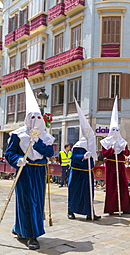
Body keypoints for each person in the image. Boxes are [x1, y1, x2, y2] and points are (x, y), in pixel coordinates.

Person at [5, 79, 55, 250]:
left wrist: (37, 143)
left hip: (39, 172)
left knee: (36, 202)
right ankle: (30, 234)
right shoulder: (18, 135)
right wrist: (17, 160)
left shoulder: (45, 136)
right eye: (31, 117)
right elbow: (9, 153)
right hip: (24, 172)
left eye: (37, 117)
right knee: (26, 202)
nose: (34, 120)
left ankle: (24, 229)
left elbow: (50, 153)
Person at [68, 100, 101, 221]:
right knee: (75, 192)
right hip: (77, 173)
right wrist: (82, 156)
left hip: (88, 173)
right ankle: (71, 210)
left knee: (88, 194)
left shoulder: (91, 145)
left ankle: (89, 212)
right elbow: (73, 158)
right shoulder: (78, 145)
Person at [101, 98, 130, 215]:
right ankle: (111, 208)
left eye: (117, 130)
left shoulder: (122, 141)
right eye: (113, 129)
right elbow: (104, 154)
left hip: (120, 165)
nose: (115, 131)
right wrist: (112, 149)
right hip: (110, 165)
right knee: (111, 186)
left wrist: (123, 149)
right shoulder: (105, 142)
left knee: (123, 186)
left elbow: (128, 153)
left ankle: (125, 207)